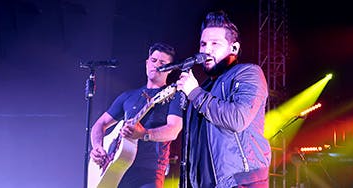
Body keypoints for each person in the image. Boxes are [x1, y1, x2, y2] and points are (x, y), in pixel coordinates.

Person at [176, 11, 271, 187]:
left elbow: (237, 119)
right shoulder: (202, 88)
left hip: (239, 182)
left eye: (215, 43)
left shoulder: (248, 73)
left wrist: (195, 93)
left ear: (233, 48)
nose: (206, 50)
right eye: (203, 44)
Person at [89, 42, 183, 188]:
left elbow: (173, 130)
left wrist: (144, 133)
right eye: (153, 60)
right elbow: (99, 124)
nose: (156, 65)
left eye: (163, 63)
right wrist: (97, 147)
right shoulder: (128, 96)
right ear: (147, 63)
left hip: (149, 172)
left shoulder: (174, 96)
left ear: (169, 70)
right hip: (116, 170)